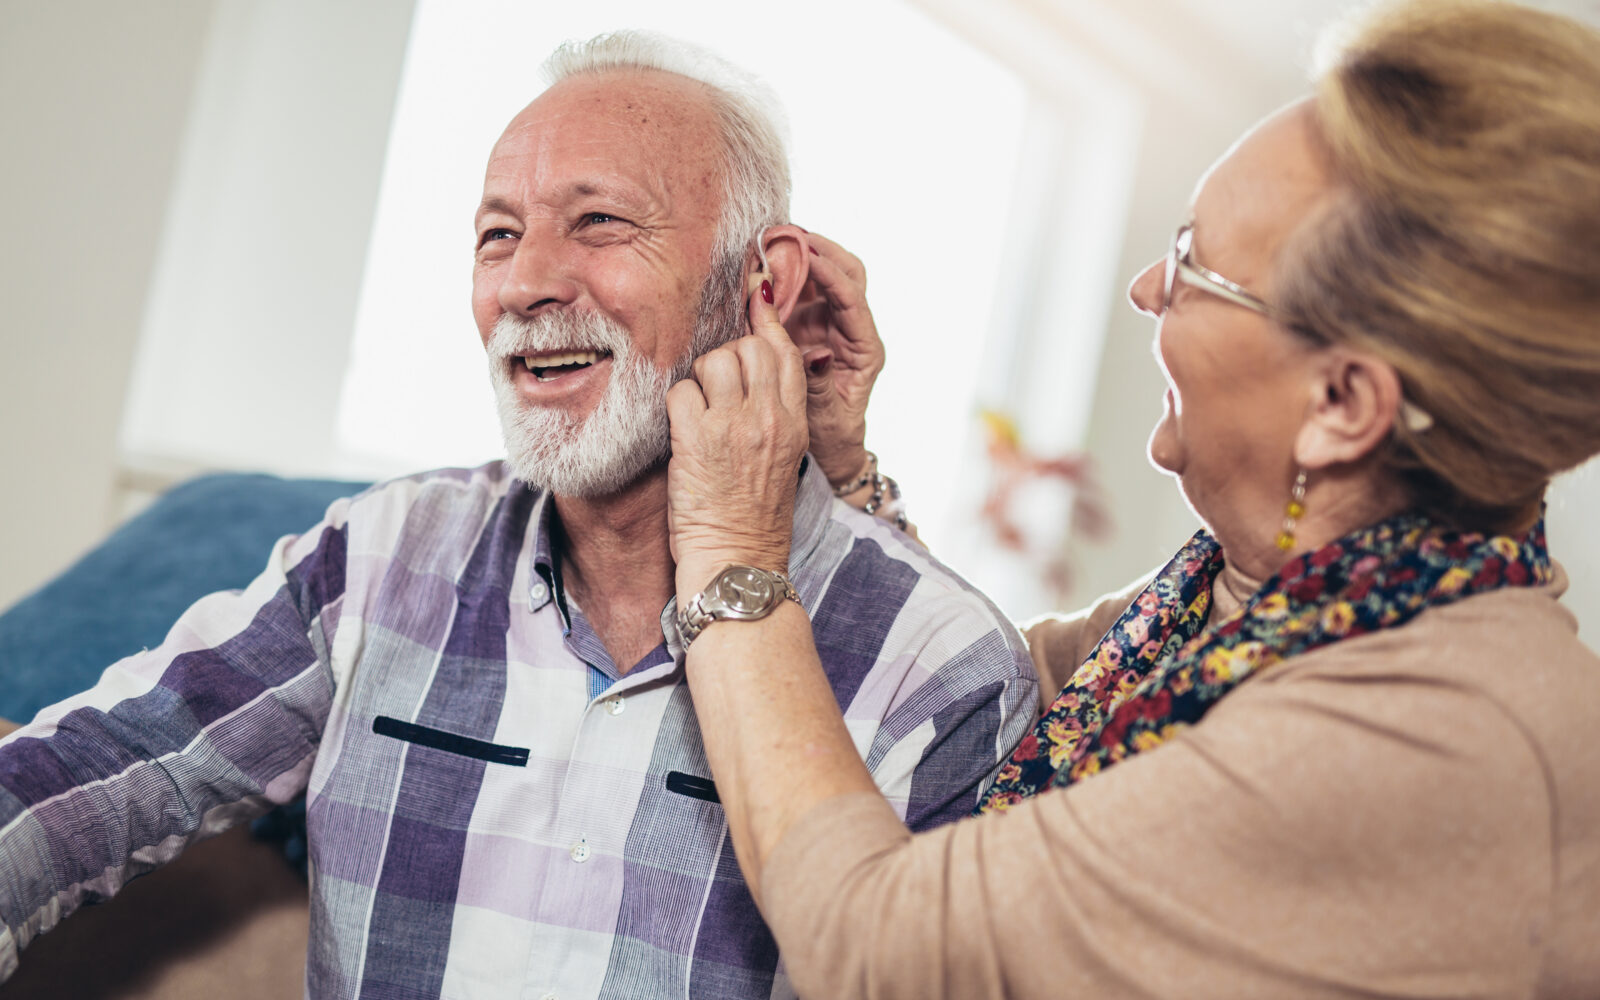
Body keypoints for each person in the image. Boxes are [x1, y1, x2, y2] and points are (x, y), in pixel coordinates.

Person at [0, 31, 1037, 999]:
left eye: (599, 222)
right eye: (498, 235)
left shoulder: (940, 666)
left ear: (760, 284)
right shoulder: (380, 555)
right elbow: (83, 777)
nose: (528, 283)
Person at [662, 1, 1600, 996]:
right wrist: (843, 474)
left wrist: (731, 550)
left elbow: (886, 943)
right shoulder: (1255, 610)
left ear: (1340, 403)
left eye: (1196, 265)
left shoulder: (1429, 741)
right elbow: (979, 708)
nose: (1149, 287)